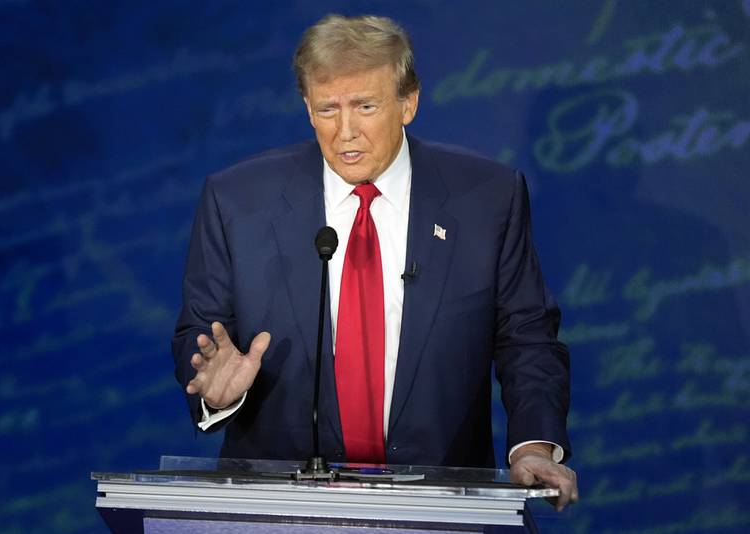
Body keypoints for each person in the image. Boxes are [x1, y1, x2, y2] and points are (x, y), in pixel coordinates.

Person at [172, 14, 578, 510]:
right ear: (306, 107)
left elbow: (527, 337)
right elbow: (199, 333)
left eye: (365, 106)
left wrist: (533, 443)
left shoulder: (487, 198)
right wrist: (217, 394)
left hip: (438, 506)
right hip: (281, 509)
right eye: (327, 109)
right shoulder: (236, 201)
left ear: (409, 102)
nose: (346, 133)